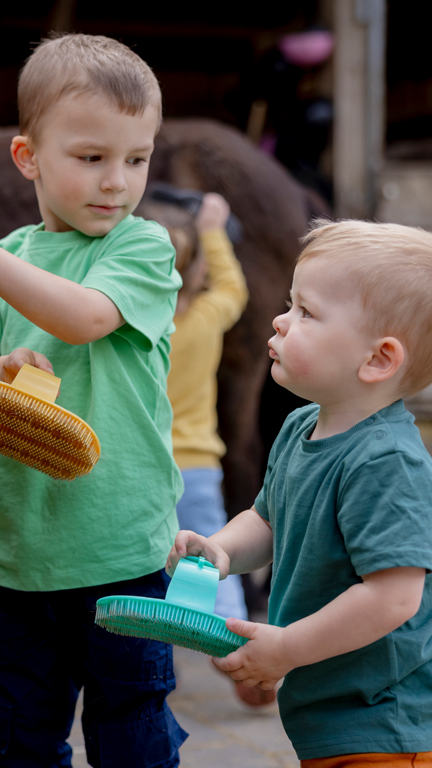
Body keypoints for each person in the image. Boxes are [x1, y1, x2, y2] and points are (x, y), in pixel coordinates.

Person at [167, 219, 432, 766]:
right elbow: (268, 518)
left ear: (378, 359)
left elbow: (393, 597)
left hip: (394, 723)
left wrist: (287, 649)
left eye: (306, 312)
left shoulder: (387, 464)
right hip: (337, 716)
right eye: (290, 305)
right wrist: (222, 551)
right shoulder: (301, 427)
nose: (280, 320)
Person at [0, 33, 188, 767]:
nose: (116, 182)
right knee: (22, 738)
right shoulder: (7, 260)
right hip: (21, 557)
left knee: (131, 735)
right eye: (91, 158)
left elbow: (83, 316)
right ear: (28, 158)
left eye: (137, 158)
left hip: (123, 550)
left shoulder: (143, 248)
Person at [165, 192, 275, 708]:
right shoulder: (206, 319)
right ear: (196, 273)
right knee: (214, 562)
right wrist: (212, 229)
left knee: (148, 568)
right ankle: (237, 654)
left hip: (146, 473)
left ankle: (155, 665)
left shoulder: (138, 332)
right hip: (198, 468)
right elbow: (234, 287)